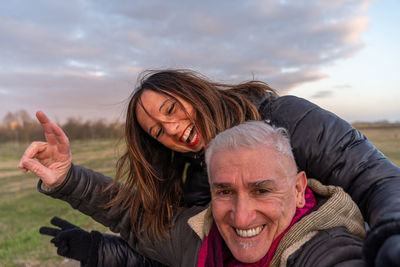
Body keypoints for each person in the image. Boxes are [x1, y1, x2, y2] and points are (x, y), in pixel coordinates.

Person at [19, 69, 400, 266]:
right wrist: (70, 182)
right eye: (157, 132)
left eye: (170, 109)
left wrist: (391, 237)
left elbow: (375, 178)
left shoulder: (286, 118)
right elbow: (169, 240)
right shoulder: (195, 179)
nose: (172, 129)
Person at [42, 121, 368, 266]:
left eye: (262, 190)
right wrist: (67, 179)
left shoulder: (327, 249)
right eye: (224, 191)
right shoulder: (200, 234)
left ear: (299, 190)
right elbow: (132, 215)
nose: (241, 217)